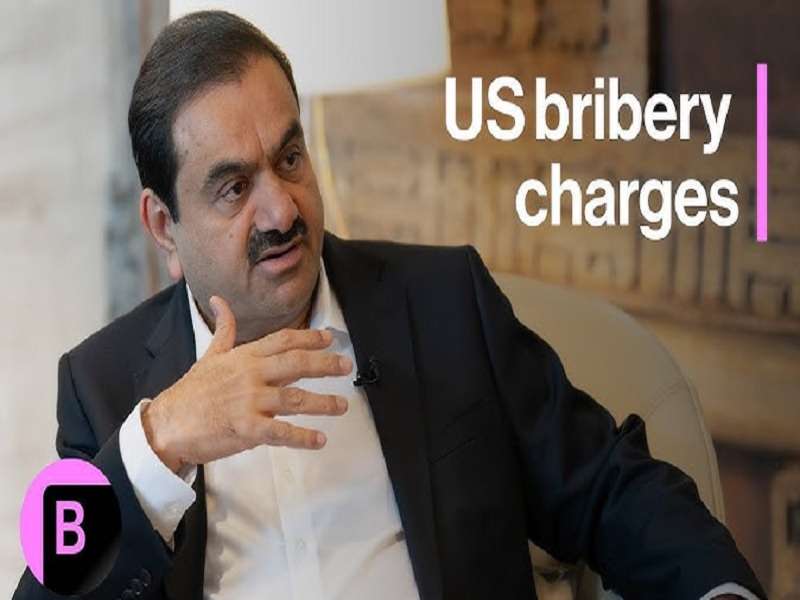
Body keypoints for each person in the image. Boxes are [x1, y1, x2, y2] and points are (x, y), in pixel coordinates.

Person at [14, 10, 764, 600]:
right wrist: (162, 439)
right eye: (234, 188)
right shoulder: (100, 384)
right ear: (162, 226)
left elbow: (608, 486)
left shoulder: (445, 303)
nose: (282, 210)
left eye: (290, 158)